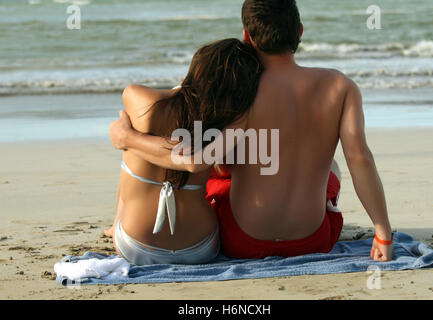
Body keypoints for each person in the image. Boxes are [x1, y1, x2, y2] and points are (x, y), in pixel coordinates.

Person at [109, 0, 394, 262]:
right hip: (314, 240)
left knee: (222, 175)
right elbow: (360, 160)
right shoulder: (341, 87)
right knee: (332, 167)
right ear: (300, 32)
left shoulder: (240, 89)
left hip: (243, 241)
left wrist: (130, 138)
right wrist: (383, 235)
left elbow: (210, 160)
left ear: (247, 36)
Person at [105, 38, 263, 265]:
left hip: (136, 244)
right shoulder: (233, 120)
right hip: (201, 248)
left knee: (130, 150)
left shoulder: (138, 96)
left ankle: (115, 225)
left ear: (197, 68)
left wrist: (128, 138)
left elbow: (176, 108)